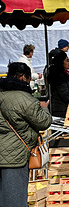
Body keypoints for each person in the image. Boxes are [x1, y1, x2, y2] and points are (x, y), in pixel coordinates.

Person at [0, 62, 52, 207]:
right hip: (15, 157)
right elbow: (43, 122)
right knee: (14, 200)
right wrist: (44, 109)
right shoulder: (25, 98)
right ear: (23, 77)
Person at [47, 50, 69, 117]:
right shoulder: (58, 75)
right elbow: (64, 93)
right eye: (67, 60)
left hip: (63, 107)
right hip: (60, 109)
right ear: (61, 62)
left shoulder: (64, 74)